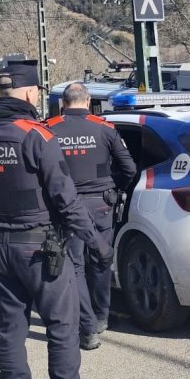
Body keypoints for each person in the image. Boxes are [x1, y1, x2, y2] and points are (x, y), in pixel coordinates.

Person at [0, 60, 111, 379]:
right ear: (30, 93)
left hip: (0, 248)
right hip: (41, 251)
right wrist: (95, 243)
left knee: (11, 331)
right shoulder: (36, 136)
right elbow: (65, 198)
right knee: (62, 325)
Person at [46, 82, 136, 351]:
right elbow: (129, 168)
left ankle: (87, 329)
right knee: (101, 259)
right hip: (101, 205)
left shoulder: (49, 129)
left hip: (67, 206)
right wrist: (114, 187)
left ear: (63, 103)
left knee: (74, 267)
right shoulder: (105, 128)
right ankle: (101, 317)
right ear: (87, 101)